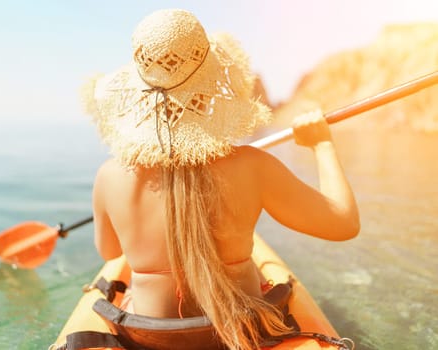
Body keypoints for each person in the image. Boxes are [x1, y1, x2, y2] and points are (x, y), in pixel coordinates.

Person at [86, 8, 360, 350]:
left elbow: (112, 252)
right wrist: (322, 145)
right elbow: (344, 223)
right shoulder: (251, 165)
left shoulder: (111, 176)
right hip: (242, 332)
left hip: (152, 337)